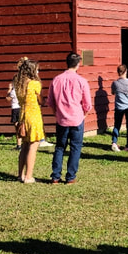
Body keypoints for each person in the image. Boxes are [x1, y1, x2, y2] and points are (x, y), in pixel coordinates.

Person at [46, 52, 92, 184]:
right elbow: (87, 104)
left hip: (61, 118)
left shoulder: (56, 79)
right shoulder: (81, 81)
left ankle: (55, 176)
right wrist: (84, 114)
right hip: (77, 118)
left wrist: (56, 113)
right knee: (75, 147)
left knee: (60, 147)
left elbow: (50, 101)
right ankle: (70, 176)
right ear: (78, 64)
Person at [13, 58, 44, 183]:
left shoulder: (19, 84)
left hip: (22, 116)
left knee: (24, 146)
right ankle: (28, 176)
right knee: (33, 145)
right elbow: (40, 100)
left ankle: (20, 174)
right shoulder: (34, 84)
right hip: (34, 116)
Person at [110, 64, 128, 151]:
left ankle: (114, 142)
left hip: (119, 106)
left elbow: (113, 92)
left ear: (118, 72)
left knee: (117, 125)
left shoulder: (115, 83)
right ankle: (127, 146)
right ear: (126, 72)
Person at [6, 70, 22, 150]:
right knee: (22, 127)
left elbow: (7, 99)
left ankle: (19, 145)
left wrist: (9, 89)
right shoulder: (22, 90)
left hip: (15, 109)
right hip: (21, 109)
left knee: (17, 128)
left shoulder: (13, 91)